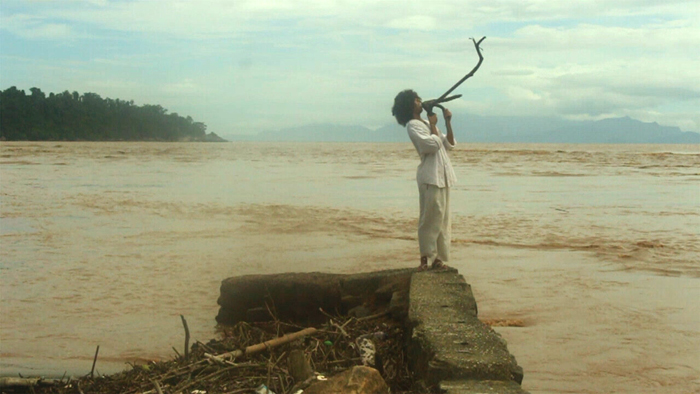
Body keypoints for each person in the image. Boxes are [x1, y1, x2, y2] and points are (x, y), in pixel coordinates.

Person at [392, 89, 457, 271]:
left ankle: (439, 259)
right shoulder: (413, 125)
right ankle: (425, 258)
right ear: (410, 106)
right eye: (416, 100)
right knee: (430, 217)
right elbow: (431, 145)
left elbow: (449, 144)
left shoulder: (428, 124)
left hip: (443, 176)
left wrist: (447, 122)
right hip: (430, 176)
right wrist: (434, 124)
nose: (420, 102)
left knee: (443, 218)